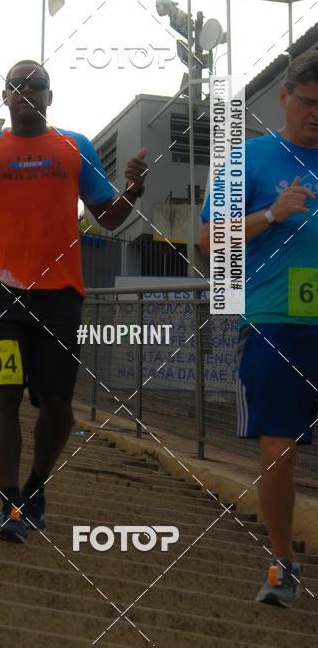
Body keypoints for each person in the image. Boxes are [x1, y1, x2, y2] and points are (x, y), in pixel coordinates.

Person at [0, 59, 147, 542]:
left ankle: (38, 487)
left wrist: (133, 190)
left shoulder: (75, 147)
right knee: (3, 395)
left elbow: (106, 219)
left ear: (49, 96)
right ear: (4, 96)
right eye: (16, 85)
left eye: (35, 85)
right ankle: (11, 501)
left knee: (58, 403)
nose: (25, 92)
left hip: (60, 295)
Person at [199, 51, 318, 607]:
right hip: (276, 321)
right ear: (285, 98)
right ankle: (282, 560)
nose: (316, 114)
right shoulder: (247, 159)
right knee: (279, 447)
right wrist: (272, 215)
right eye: (308, 103)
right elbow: (206, 242)